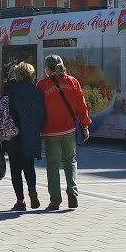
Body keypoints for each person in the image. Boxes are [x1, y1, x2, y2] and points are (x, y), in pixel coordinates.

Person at [37, 54, 91, 211]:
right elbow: (82, 105)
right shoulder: (73, 82)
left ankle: (55, 201)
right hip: (69, 130)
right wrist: (85, 126)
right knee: (70, 161)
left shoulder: (43, 85)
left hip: (50, 132)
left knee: (52, 165)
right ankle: (72, 191)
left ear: (48, 69)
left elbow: (38, 110)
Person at [3, 62, 47, 211]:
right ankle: (32, 190)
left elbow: (3, 113)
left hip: (14, 135)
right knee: (29, 166)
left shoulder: (11, 90)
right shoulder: (37, 92)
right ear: (32, 75)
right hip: (31, 135)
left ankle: (20, 201)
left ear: (17, 74)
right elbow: (42, 115)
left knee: (15, 169)